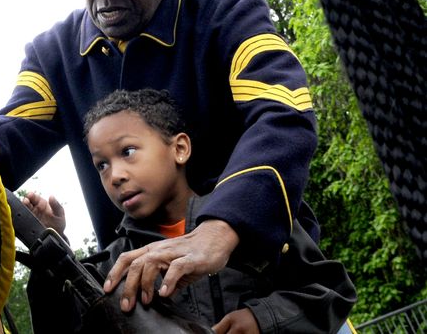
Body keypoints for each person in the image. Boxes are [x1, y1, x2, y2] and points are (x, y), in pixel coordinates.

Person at [0, 0, 320, 303]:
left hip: (276, 295)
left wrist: (222, 226)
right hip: (148, 308)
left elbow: (283, 117)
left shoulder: (231, 19)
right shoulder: (52, 55)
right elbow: (6, 137)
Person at [28, 88, 356, 333]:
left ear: (180, 149)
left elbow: (332, 293)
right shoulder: (111, 269)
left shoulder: (254, 221)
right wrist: (52, 249)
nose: (115, 175)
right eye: (101, 165)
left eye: (127, 151)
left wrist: (261, 318)